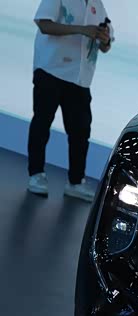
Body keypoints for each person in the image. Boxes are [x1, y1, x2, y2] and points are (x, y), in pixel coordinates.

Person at [27, 0, 113, 202]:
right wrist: (82, 30)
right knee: (42, 123)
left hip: (80, 78)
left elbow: (106, 46)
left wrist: (104, 39)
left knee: (81, 132)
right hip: (50, 70)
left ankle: (76, 181)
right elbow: (44, 24)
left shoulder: (97, 5)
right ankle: (36, 174)